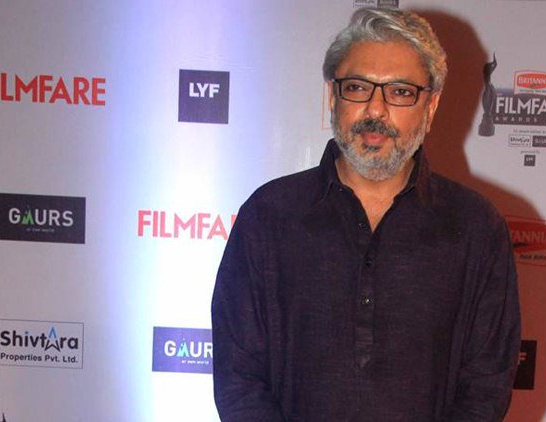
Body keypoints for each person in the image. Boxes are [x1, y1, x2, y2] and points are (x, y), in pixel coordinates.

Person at [212, 7, 521, 421]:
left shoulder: (475, 228)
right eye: (357, 87)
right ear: (332, 97)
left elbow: (486, 387)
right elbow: (239, 378)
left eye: (400, 92)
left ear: (430, 107)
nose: (376, 110)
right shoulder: (269, 217)